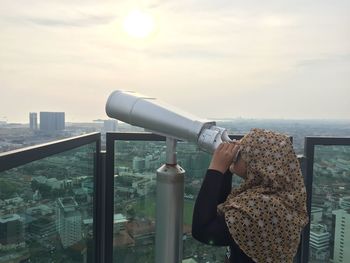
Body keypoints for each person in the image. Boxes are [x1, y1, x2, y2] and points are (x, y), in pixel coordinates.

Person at [192, 128, 308, 263]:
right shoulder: (275, 197)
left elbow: (203, 230)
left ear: (259, 163)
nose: (235, 152)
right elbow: (223, 216)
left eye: (240, 152)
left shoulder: (263, 207)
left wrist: (216, 169)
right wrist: (226, 170)